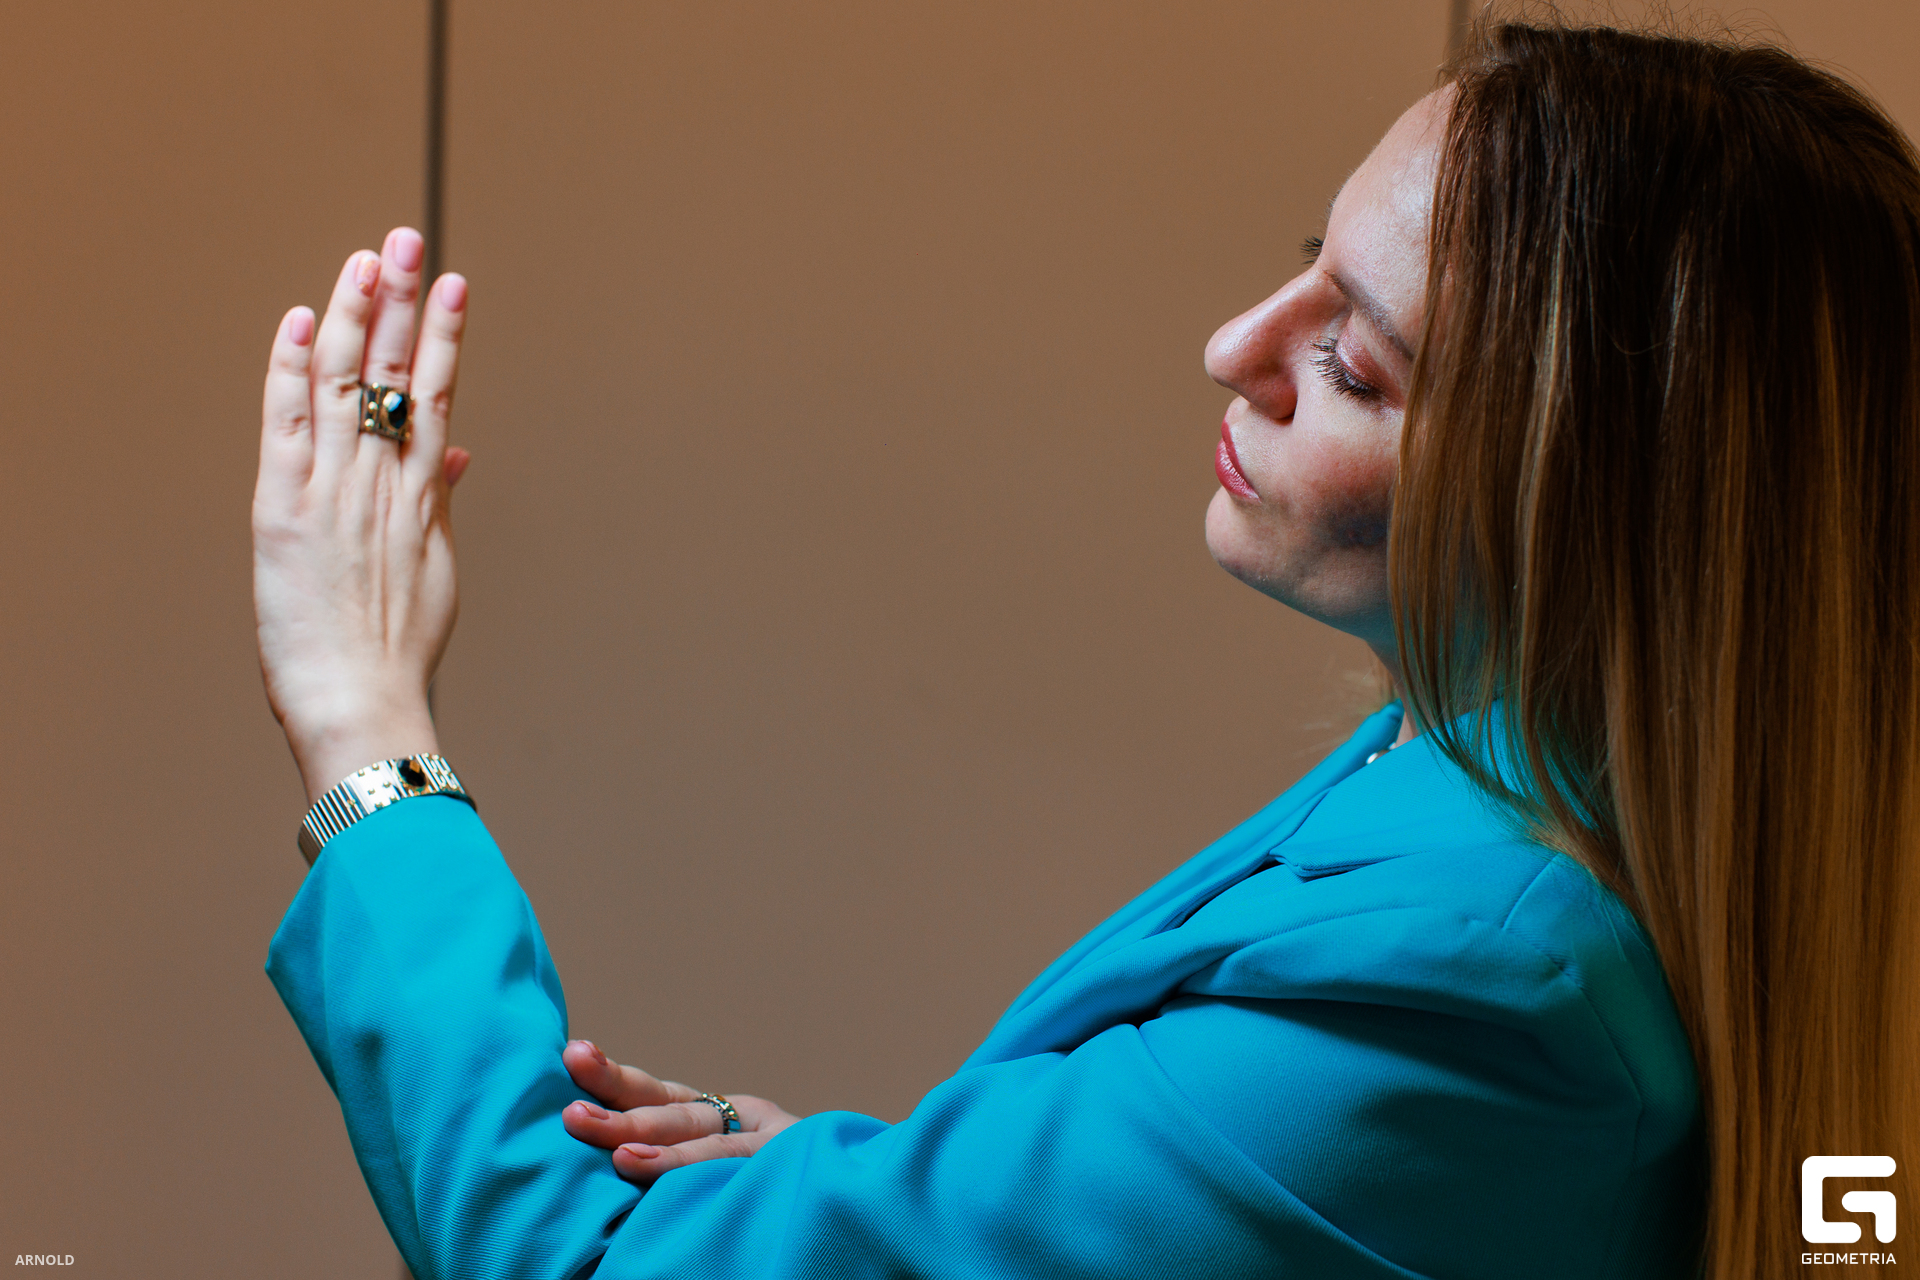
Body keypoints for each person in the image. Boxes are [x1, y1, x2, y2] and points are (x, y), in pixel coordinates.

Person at [252, 21, 1919, 1280]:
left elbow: (578, 1264)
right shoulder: (1496, 761)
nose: (1233, 347)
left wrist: (362, 728)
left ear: (1595, 518)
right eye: (1306, 272)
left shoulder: (1483, 984)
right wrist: (907, 1200)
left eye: (1355, 365)